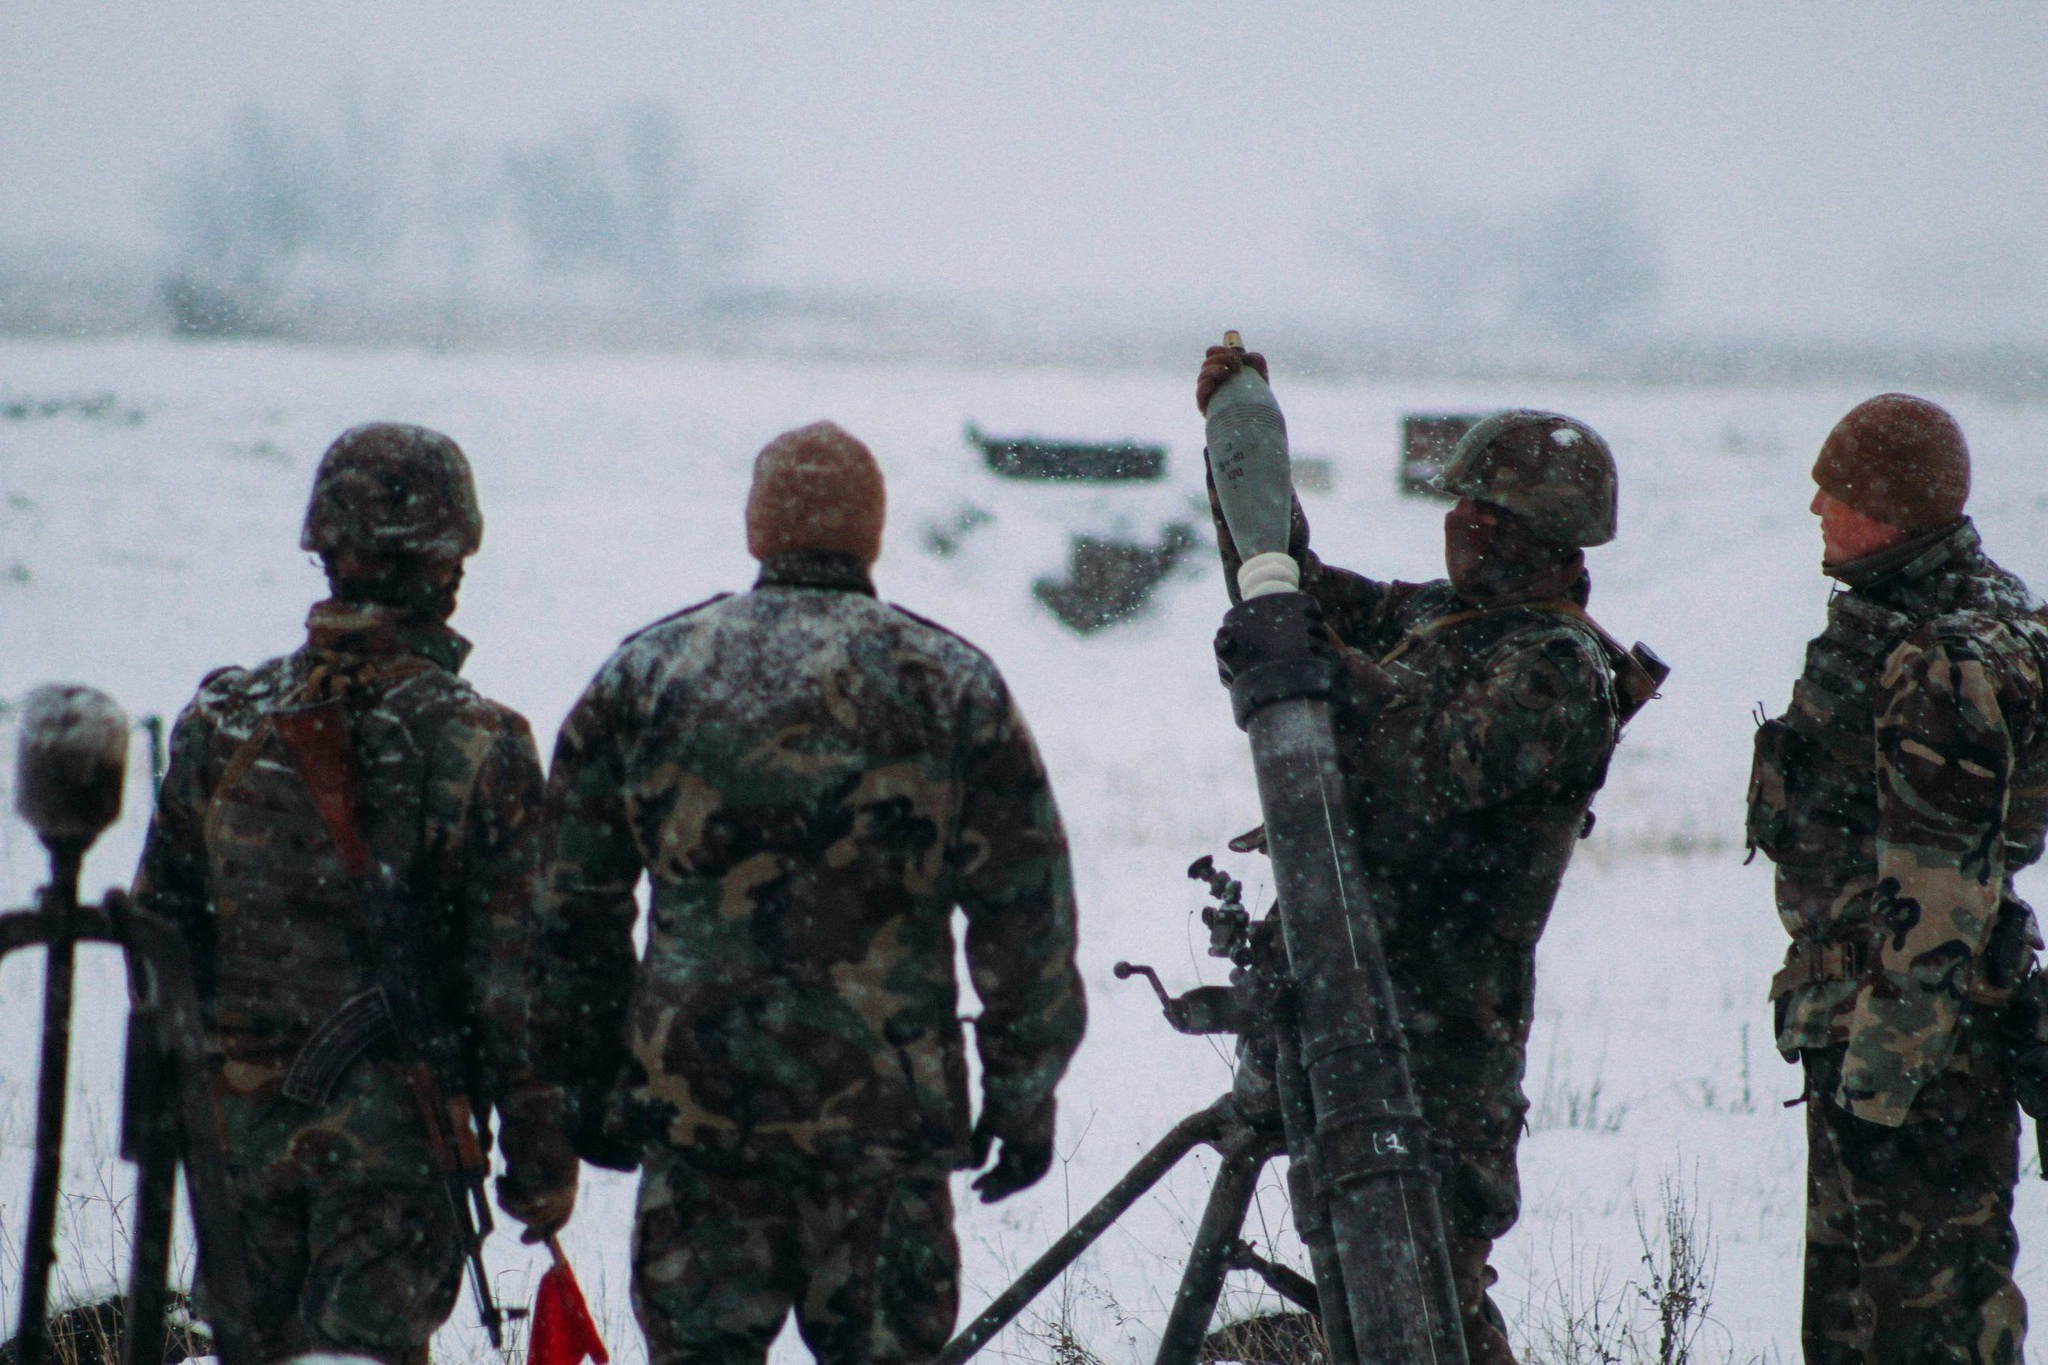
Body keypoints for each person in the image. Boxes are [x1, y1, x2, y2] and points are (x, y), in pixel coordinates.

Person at [531, 421, 1085, 1365]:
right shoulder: (950, 684)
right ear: (872, 532)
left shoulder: (650, 674)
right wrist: (1022, 1092)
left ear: (758, 527)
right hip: (885, 1136)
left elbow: (572, 909)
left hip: (701, 1126)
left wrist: (586, 1081)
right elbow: (1025, 912)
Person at [1199, 347, 1638, 1365]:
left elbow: (1440, 761)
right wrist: (1238, 450)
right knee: (1365, 1289)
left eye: (1484, 510)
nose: (1460, 522)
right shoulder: (1438, 617)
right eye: (1460, 504)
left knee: (1427, 1299)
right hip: (1348, 1002)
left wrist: (1329, 673)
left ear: (1542, 534)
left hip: (1440, 1048)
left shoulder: (1559, 668)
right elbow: (1295, 593)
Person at [132, 423, 578, 1365]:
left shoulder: (220, 718)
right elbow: (514, 988)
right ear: (447, 564)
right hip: (390, 1147)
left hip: (234, 1145)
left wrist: (196, 1106)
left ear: (326, 550)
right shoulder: (477, 741)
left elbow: (159, 943)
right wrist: (540, 1157)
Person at [1748, 394, 2048, 1365]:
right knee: (1864, 1330)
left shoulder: (1939, 658)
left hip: (1915, 1051)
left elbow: (1938, 895)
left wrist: (1881, 1090)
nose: (1816, 508)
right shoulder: (1924, 618)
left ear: (1890, 506)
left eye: (1834, 490)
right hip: (1891, 1034)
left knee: (1921, 1332)